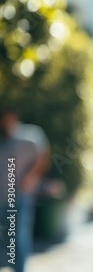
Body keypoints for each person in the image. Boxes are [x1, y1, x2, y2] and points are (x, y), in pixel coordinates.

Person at [0, 108, 50, 272]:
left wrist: (31, 177)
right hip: (2, 197)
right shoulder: (4, 140)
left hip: (20, 197)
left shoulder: (28, 135)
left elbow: (44, 155)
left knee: (19, 236)